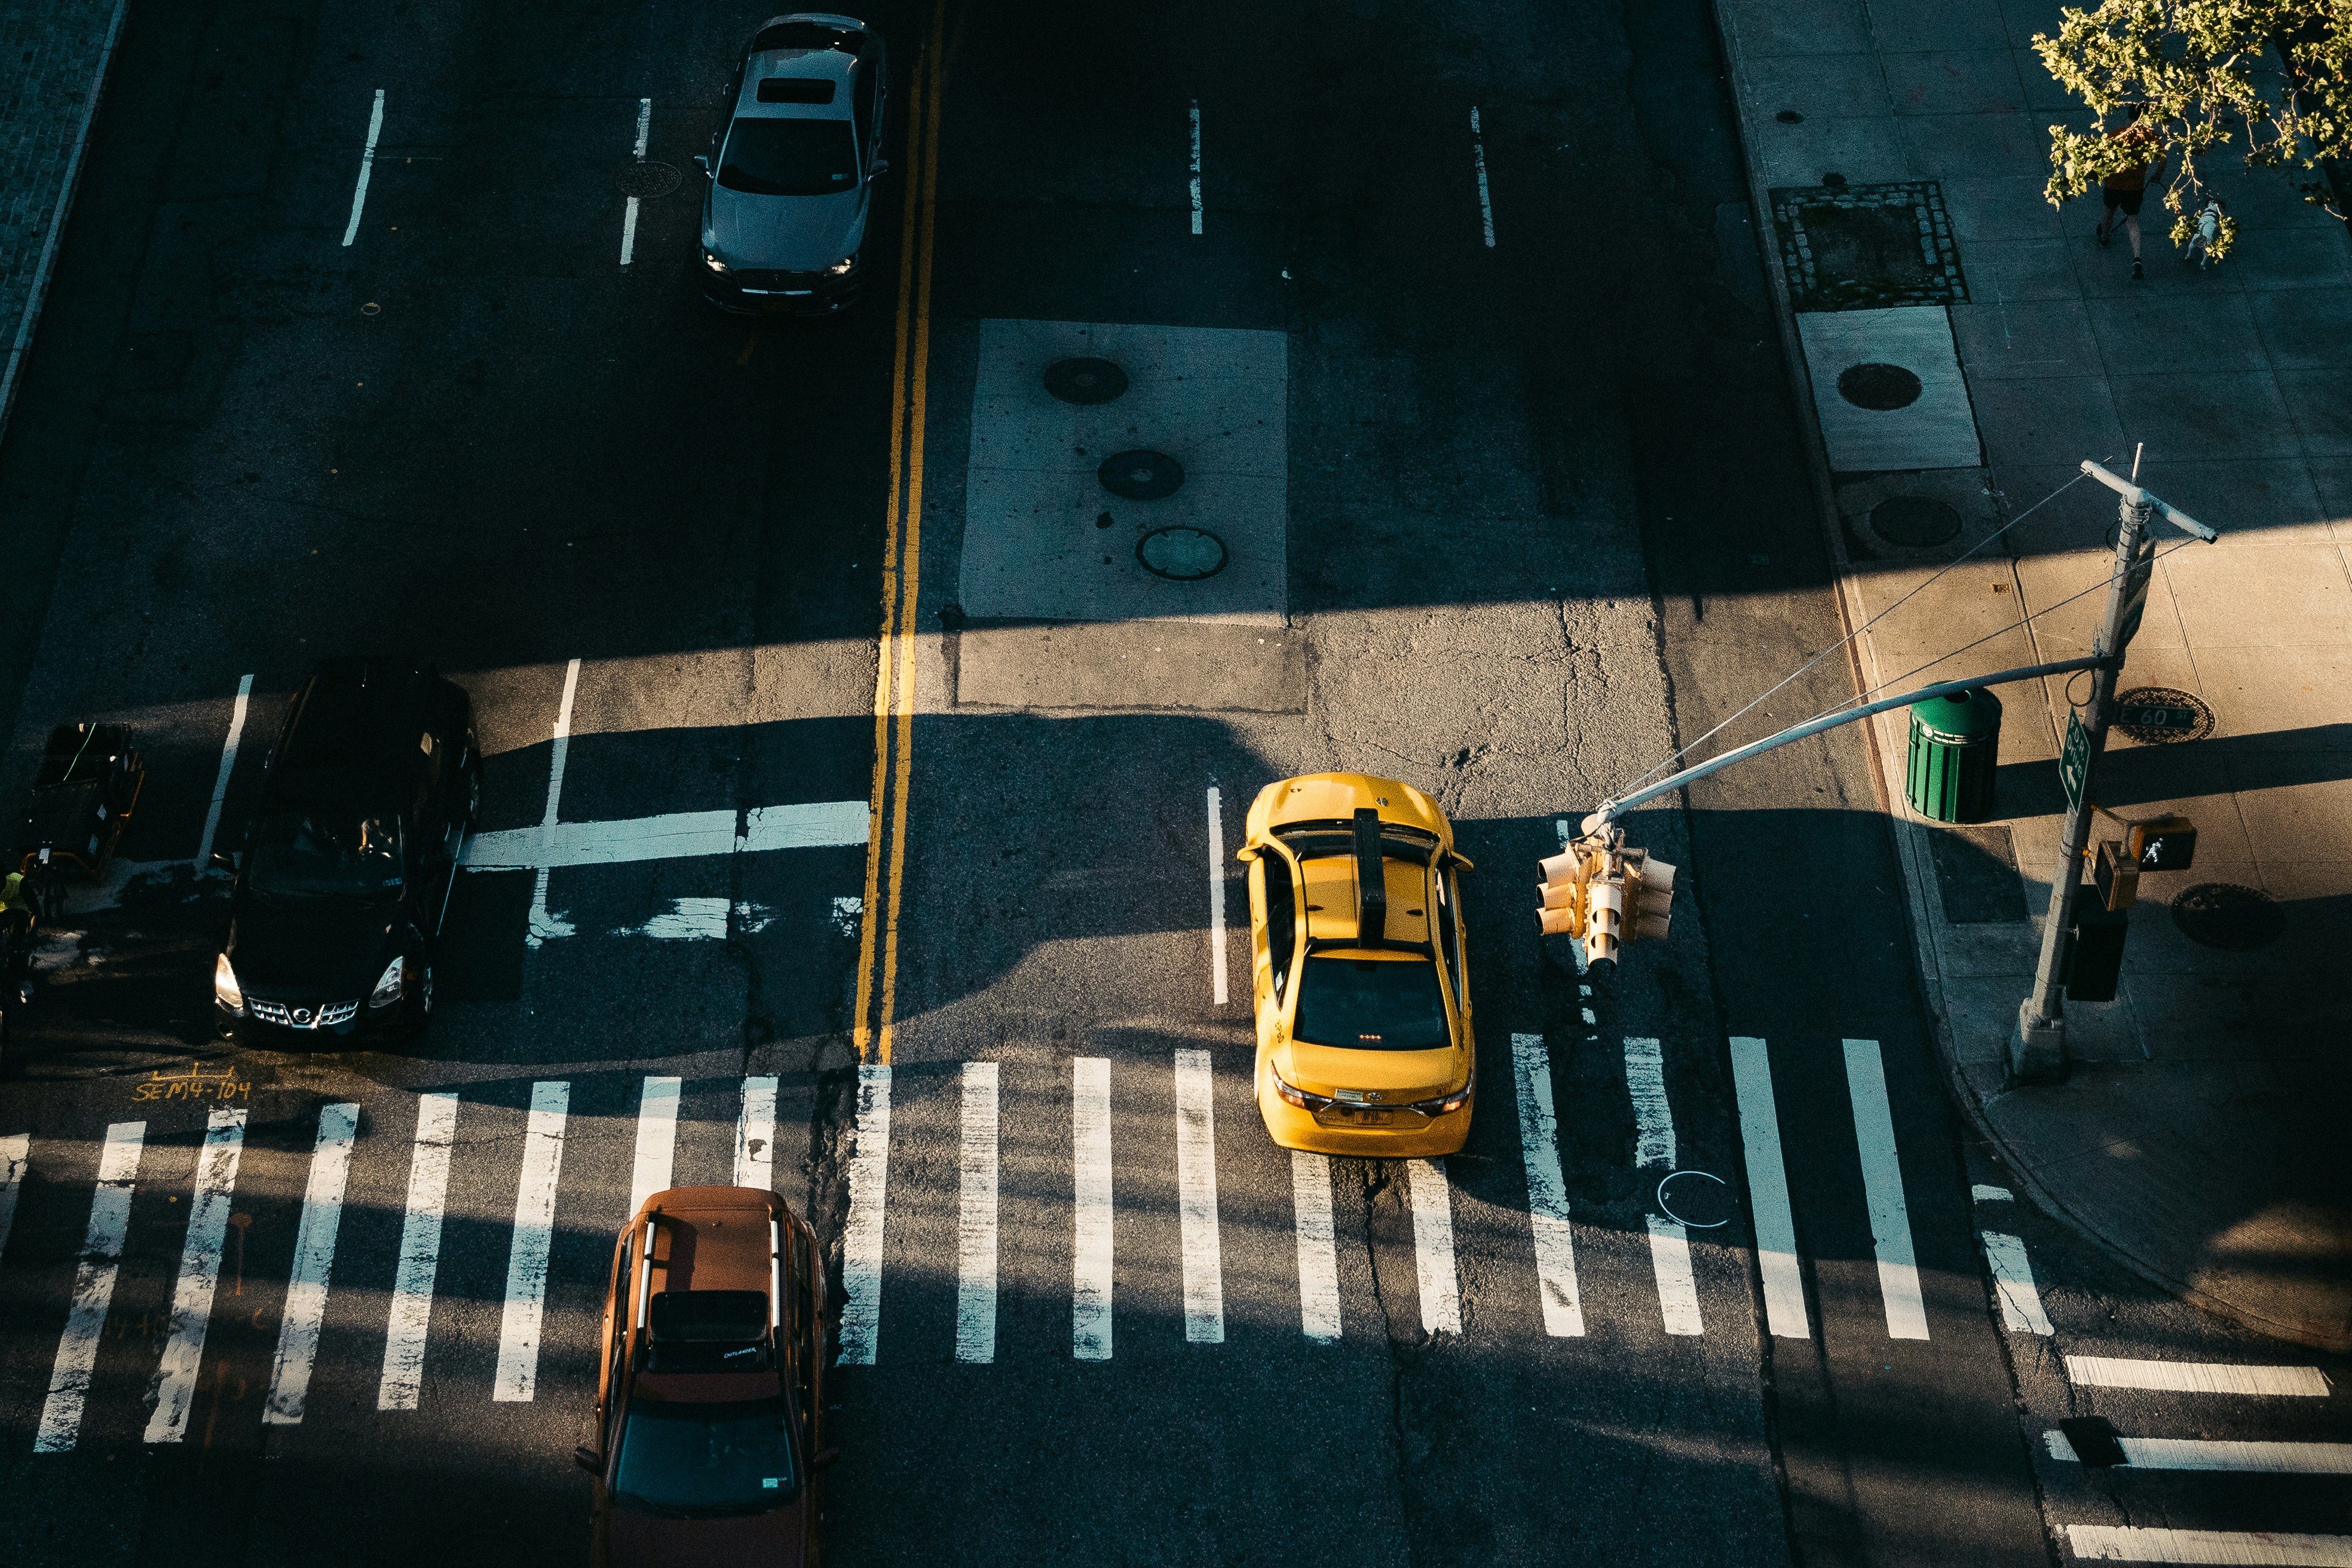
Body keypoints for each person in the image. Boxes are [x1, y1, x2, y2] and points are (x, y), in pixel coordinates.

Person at [2094, 103, 2168, 281]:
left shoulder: (2114, 135)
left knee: (2108, 212)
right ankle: (2137, 259)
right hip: (2135, 187)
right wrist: (2156, 176)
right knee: (2133, 222)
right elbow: (2163, 160)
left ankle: (2104, 238)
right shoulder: (2150, 137)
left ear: (2128, 115)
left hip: (2114, 183)